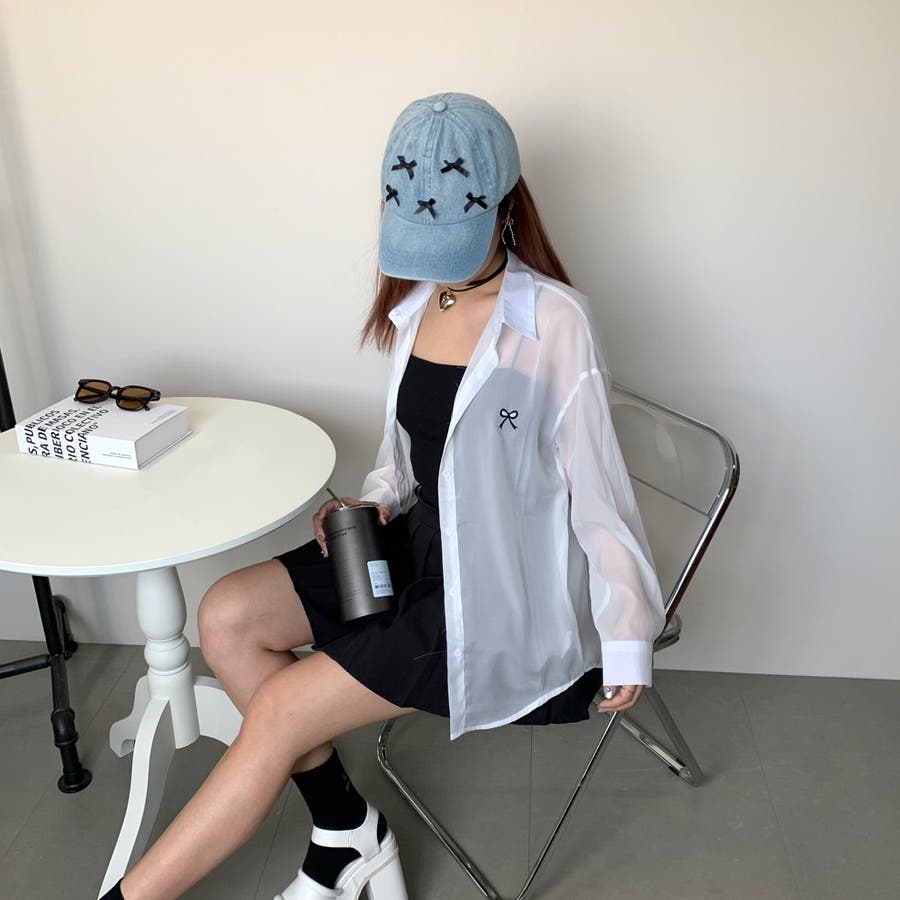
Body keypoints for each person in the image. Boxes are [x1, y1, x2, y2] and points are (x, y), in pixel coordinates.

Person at [101, 91, 666, 900]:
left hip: (498, 596)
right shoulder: (419, 304)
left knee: (281, 711)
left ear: (505, 206)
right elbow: (406, 453)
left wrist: (629, 635)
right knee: (226, 616)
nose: (435, 263)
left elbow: (601, 499)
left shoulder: (555, 323)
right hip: (412, 547)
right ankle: (346, 832)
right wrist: (370, 503)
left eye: (452, 241)